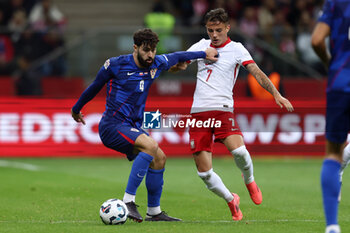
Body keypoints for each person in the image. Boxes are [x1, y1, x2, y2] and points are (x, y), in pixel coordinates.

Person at [71, 28, 218, 222]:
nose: (150, 55)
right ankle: (128, 201)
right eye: (146, 50)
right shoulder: (115, 65)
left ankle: (154, 212)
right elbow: (94, 87)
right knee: (150, 146)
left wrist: (203, 53)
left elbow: (178, 55)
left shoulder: (156, 63)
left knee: (160, 158)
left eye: (153, 50)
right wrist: (76, 109)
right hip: (112, 125)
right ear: (135, 47)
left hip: (133, 126)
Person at [170, 8, 294, 221]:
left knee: (239, 152)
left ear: (228, 28)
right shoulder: (200, 46)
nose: (214, 35)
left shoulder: (237, 49)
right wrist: (178, 65)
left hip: (222, 109)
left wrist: (276, 94)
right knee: (204, 174)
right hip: (198, 113)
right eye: (210, 30)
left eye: (218, 30)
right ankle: (231, 199)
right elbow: (177, 65)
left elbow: (257, 73)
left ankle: (249, 180)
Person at [311, 1, 350, 232]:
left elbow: (316, 40)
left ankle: (332, 226)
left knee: (332, 154)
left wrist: (330, 63)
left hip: (340, 80)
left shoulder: (337, 2)